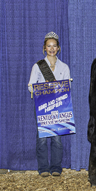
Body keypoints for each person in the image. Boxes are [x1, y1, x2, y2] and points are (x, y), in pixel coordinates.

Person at [28, 32, 70, 177]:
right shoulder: (38, 66)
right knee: (42, 137)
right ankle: (43, 167)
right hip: (42, 105)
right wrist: (42, 87)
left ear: (58, 48)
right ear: (44, 48)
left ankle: (56, 167)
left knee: (57, 138)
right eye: (48, 46)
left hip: (57, 105)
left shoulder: (64, 67)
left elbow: (67, 88)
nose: (51, 49)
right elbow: (30, 86)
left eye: (54, 46)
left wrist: (57, 88)